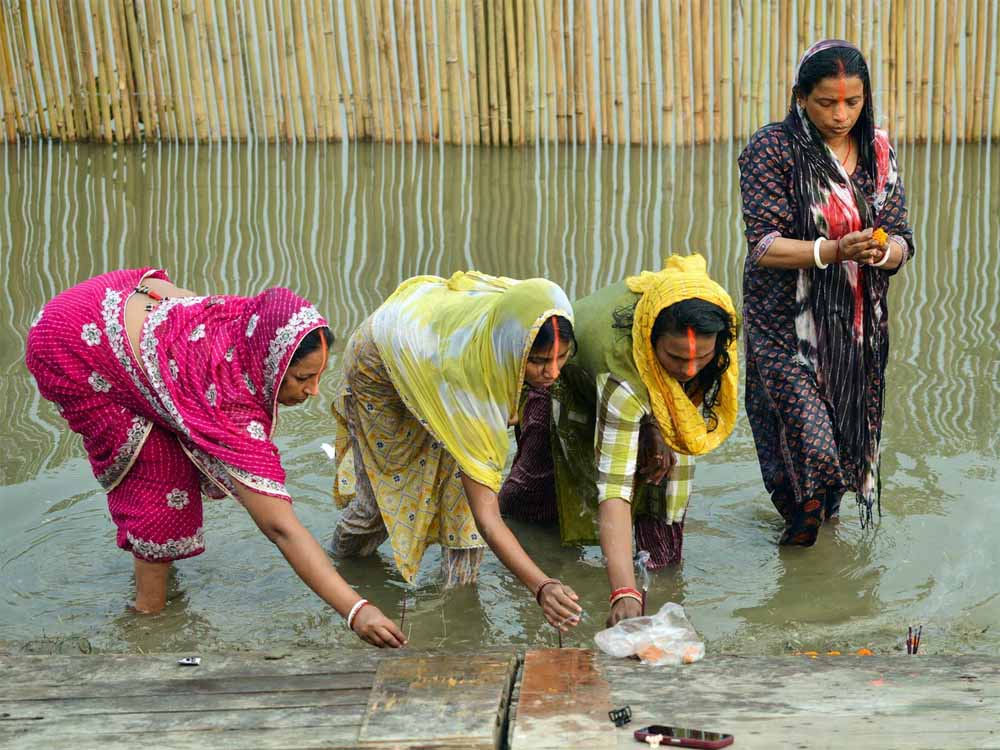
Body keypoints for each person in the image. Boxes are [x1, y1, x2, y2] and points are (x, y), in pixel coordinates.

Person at [25, 268, 405, 648]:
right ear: (272, 365)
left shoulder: (247, 323)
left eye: (318, 376)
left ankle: (157, 577)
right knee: (160, 483)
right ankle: (148, 626)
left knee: (173, 452)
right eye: (304, 378)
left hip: (104, 301)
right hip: (68, 347)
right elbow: (280, 528)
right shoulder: (231, 404)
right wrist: (357, 610)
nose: (314, 391)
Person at [329, 271, 583, 632]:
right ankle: (340, 566)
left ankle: (460, 607)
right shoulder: (472, 389)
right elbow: (488, 517)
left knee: (461, 502)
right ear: (514, 348)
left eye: (562, 357)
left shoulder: (535, 309)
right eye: (540, 361)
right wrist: (540, 585)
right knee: (384, 499)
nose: (553, 372)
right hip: (382, 362)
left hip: (437, 350)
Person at [737, 39, 914, 546]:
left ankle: (813, 548)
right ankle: (804, 535)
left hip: (853, 327)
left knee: (840, 446)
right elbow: (763, 245)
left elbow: (902, 238)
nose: (840, 115)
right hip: (783, 322)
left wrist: (883, 251)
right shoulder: (772, 149)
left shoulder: (877, 150)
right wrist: (834, 250)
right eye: (826, 102)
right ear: (800, 97)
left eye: (852, 102)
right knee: (811, 442)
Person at [500, 254, 739, 626]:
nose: (690, 369)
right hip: (570, 384)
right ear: (649, 342)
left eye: (702, 358)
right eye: (676, 358)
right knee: (535, 504)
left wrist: (657, 429)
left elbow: (680, 394)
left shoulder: (710, 329)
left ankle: (660, 584)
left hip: (635, 386)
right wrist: (623, 592)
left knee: (664, 483)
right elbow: (614, 487)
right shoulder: (621, 370)